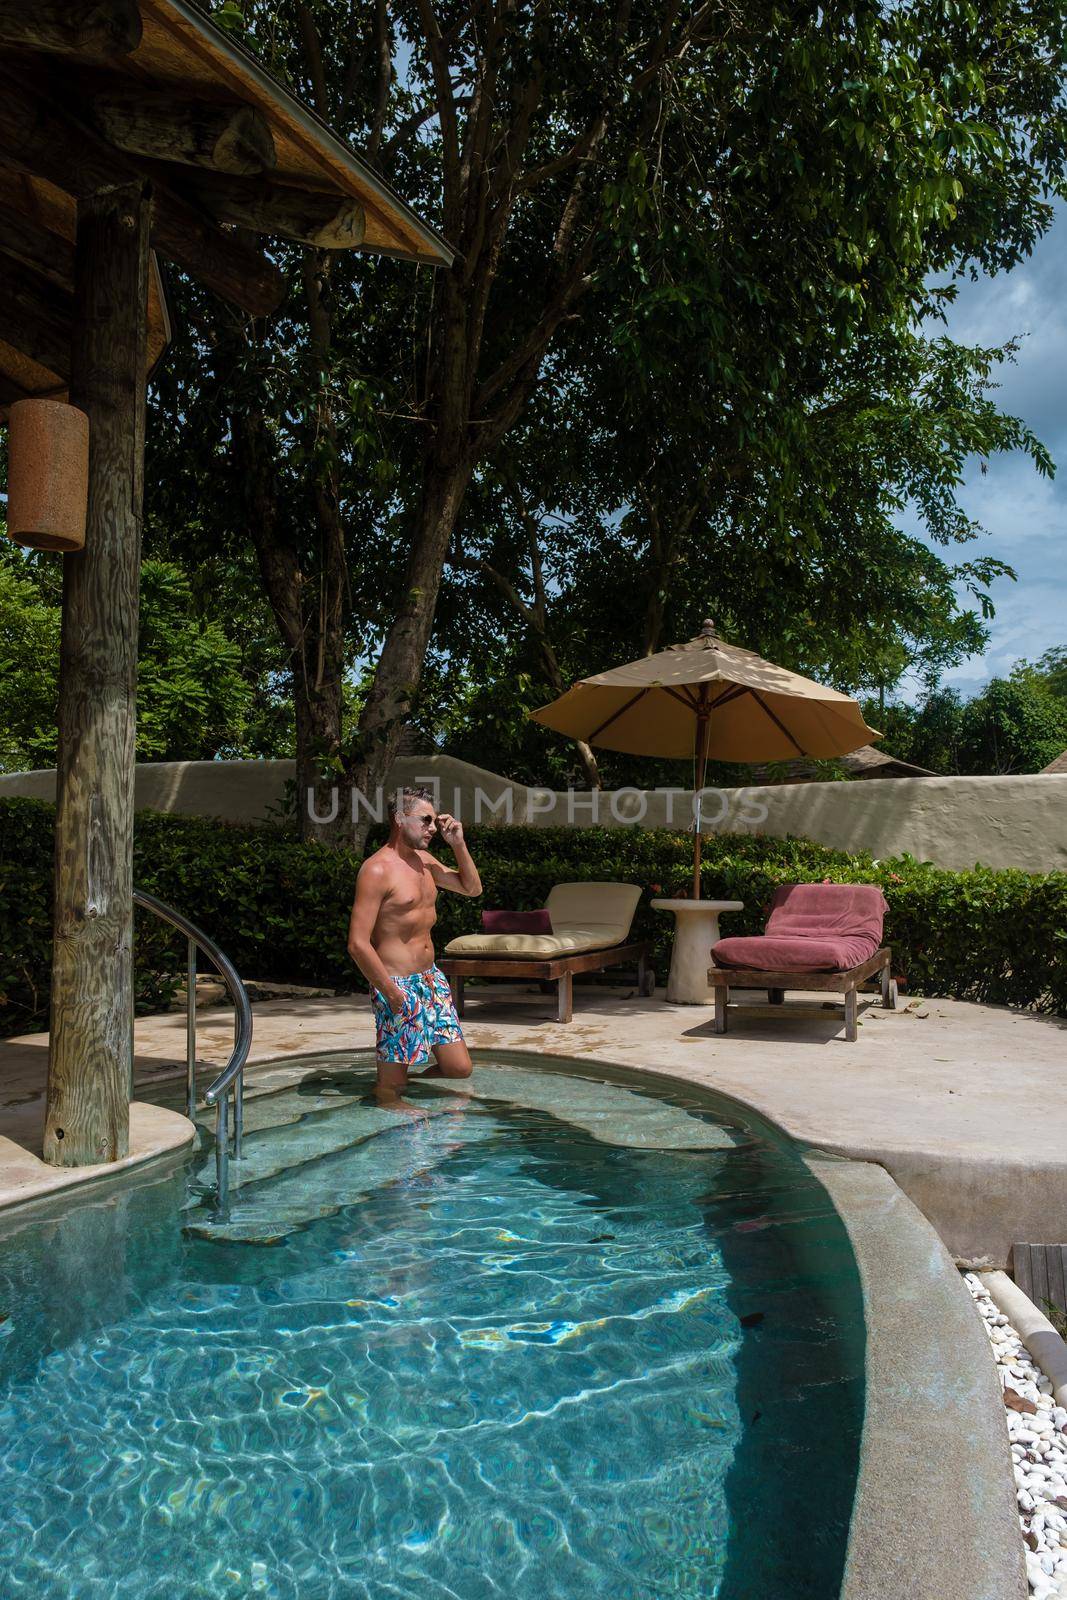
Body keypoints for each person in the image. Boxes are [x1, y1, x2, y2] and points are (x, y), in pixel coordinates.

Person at [347, 786, 481, 1103]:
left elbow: (471, 888)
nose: (433, 828)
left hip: (431, 980)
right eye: (425, 820)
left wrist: (458, 844)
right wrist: (391, 992)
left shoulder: (425, 862)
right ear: (399, 819)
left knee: (459, 1068)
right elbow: (357, 943)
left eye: (434, 821)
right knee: (391, 1090)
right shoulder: (376, 870)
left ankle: (404, 1084)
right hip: (396, 983)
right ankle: (389, 1097)